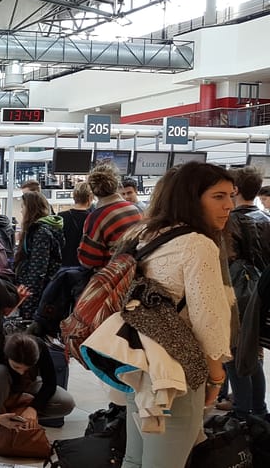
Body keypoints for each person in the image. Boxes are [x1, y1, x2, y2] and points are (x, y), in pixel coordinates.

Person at [118, 162, 235, 468]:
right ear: (191, 198)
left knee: (135, 459)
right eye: (218, 196)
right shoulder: (197, 245)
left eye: (231, 196)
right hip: (178, 374)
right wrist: (216, 378)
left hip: (140, 363)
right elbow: (207, 320)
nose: (229, 206)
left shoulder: (143, 234)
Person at [225, 166, 270, 420]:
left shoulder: (229, 221)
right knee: (254, 351)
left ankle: (241, 410)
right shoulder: (266, 219)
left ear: (236, 190)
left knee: (234, 353)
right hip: (261, 294)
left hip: (237, 294)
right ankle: (259, 408)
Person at [0, 333, 75, 431]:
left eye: (27, 368)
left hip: (28, 383)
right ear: (7, 356)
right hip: (2, 388)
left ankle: (20, 418)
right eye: (16, 367)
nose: (21, 372)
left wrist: (34, 408)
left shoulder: (40, 347)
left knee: (66, 403)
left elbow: (50, 383)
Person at [78, 165, 143, 270]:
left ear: (92, 190)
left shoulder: (96, 218)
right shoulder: (134, 209)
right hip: (135, 272)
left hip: (111, 277)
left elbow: (88, 260)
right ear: (117, 184)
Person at [14, 191, 63, 320]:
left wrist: (28, 301)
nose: (21, 211)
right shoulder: (42, 230)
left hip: (36, 296)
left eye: (23, 207)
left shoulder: (40, 233)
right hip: (40, 292)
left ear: (30, 209)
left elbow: (38, 270)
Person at [58, 182, 93, 267]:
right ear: (90, 198)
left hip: (64, 265)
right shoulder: (93, 218)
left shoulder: (61, 217)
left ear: (74, 197)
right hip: (85, 265)